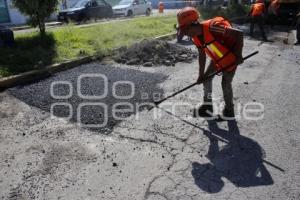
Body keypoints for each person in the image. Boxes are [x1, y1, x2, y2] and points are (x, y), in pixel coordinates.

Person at [177, 7, 244, 119]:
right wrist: (201, 75)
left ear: (192, 25)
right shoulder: (195, 37)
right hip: (217, 58)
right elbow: (202, 55)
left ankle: (229, 110)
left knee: (225, 84)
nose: (185, 34)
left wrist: (238, 55)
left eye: (185, 31)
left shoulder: (214, 27)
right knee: (206, 79)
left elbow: (239, 34)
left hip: (230, 57)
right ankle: (207, 106)